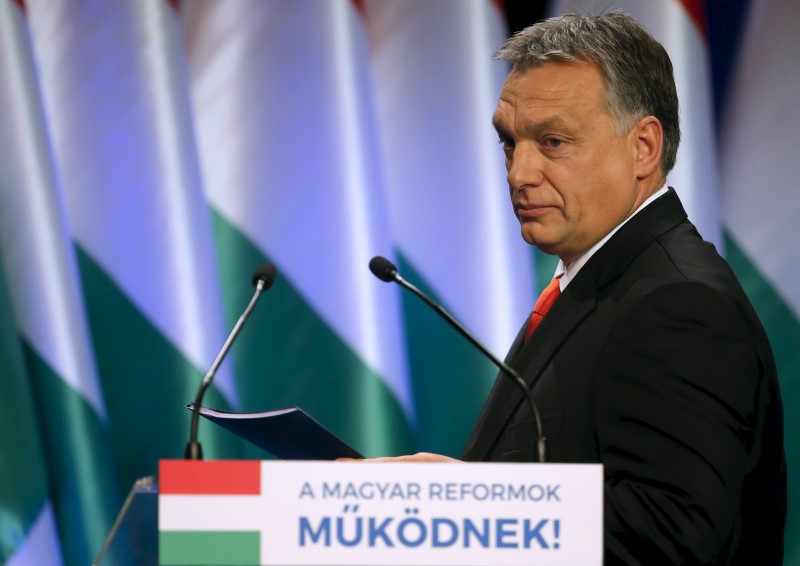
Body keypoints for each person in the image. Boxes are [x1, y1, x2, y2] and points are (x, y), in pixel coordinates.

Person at [371, 13, 787, 565]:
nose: (519, 173)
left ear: (643, 147)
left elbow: (672, 538)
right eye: (510, 142)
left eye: (553, 141)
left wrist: (468, 505)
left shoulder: (679, 305)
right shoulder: (600, 284)